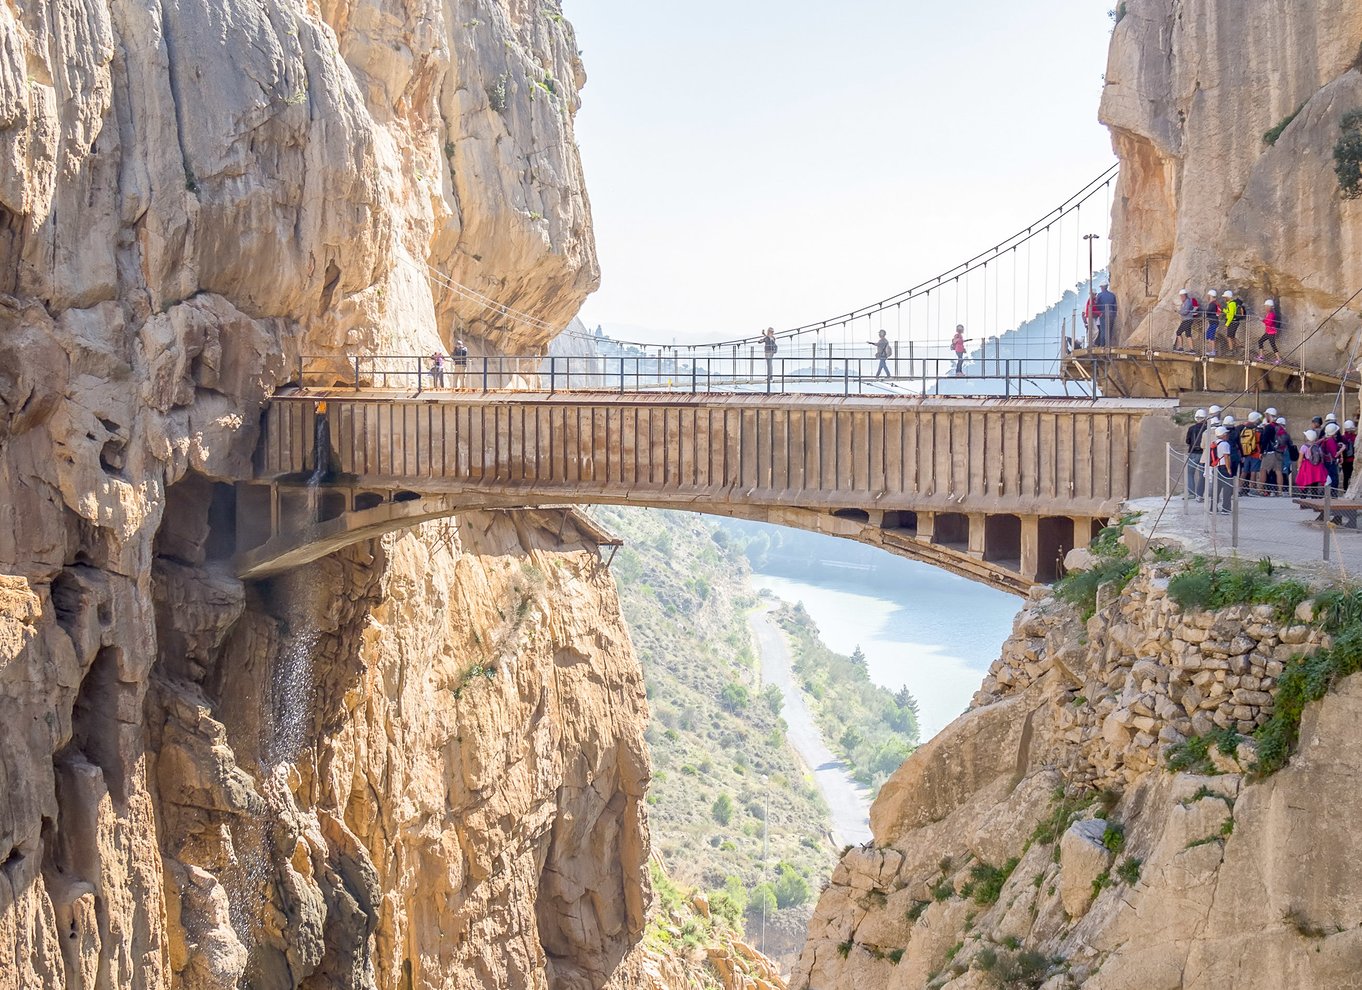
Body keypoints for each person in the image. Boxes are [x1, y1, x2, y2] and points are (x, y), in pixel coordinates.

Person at [1296, 429, 1329, 495]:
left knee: (1305, 484)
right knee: (1314, 486)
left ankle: (1303, 501)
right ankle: (1314, 499)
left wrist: (1298, 468)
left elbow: (1300, 459)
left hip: (1307, 466)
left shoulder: (1304, 447)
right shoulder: (1317, 446)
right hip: (1316, 467)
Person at [1211, 425, 1235, 514]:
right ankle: (1226, 508)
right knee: (1227, 488)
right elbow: (1226, 457)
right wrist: (1229, 469)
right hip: (1223, 468)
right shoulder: (1225, 444)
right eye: (1226, 433)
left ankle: (1213, 507)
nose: (1227, 435)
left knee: (1216, 488)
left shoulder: (1215, 443)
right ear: (1223, 434)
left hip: (1216, 467)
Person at [1260, 408, 1284, 495]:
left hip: (1269, 452)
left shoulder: (1268, 427)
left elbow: (1265, 441)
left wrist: (1261, 452)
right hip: (1279, 452)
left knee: (1263, 470)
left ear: (1268, 415)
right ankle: (1280, 491)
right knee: (1278, 471)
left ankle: (1261, 490)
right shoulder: (1280, 427)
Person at [1186, 408, 1208, 499]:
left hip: (1193, 453)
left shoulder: (1191, 428)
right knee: (1202, 475)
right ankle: (1200, 494)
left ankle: (1191, 493)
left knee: (1190, 473)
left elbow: (1187, 441)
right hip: (1203, 454)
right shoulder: (1207, 428)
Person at [1239, 410, 1263, 493]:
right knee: (1254, 472)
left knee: (1244, 471)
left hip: (1246, 453)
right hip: (1256, 453)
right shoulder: (1258, 431)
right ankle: (1252, 489)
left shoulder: (1244, 428)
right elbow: (1260, 442)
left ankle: (1239, 488)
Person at [1094, 281, 1118, 346]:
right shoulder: (1112, 295)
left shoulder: (1099, 295)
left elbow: (1096, 305)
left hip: (1103, 314)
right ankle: (1108, 345)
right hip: (1111, 314)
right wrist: (1114, 314)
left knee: (1103, 330)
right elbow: (1115, 306)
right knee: (1109, 330)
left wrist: (1098, 313)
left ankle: (1102, 345)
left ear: (1102, 287)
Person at [1222, 291, 1245, 355]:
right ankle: (1239, 348)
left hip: (1232, 322)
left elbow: (1231, 315)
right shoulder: (1230, 303)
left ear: (1228, 297)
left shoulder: (1231, 304)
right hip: (1234, 322)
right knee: (1232, 336)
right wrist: (1224, 310)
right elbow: (1229, 312)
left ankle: (1232, 350)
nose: (1224, 298)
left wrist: (1227, 324)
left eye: (1225, 297)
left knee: (1229, 337)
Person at [1323, 422, 1343, 492]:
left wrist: (1337, 446)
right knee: (1333, 480)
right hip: (1331, 463)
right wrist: (1342, 449)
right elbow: (1335, 455)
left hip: (1327, 462)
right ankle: (1333, 495)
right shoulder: (1331, 440)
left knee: (1329, 479)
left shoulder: (1327, 439)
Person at [1203, 290, 1221, 356]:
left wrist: (1203, 313)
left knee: (1211, 336)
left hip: (1213, 322)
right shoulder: (1214, 303)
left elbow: (1208, 312)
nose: (1207, 297)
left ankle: (1213, 351)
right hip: (1212, 322)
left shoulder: (1212, 304)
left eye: (1208, 296)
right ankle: (1210, 350)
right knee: (1208, 335)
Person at [1343, 420, 1357, 491]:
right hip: (1353, 460)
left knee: (1346, 476)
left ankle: (1345, 490)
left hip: (1345, 461)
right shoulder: (1355, 437)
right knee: (1353, 476)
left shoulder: (1343, 437)